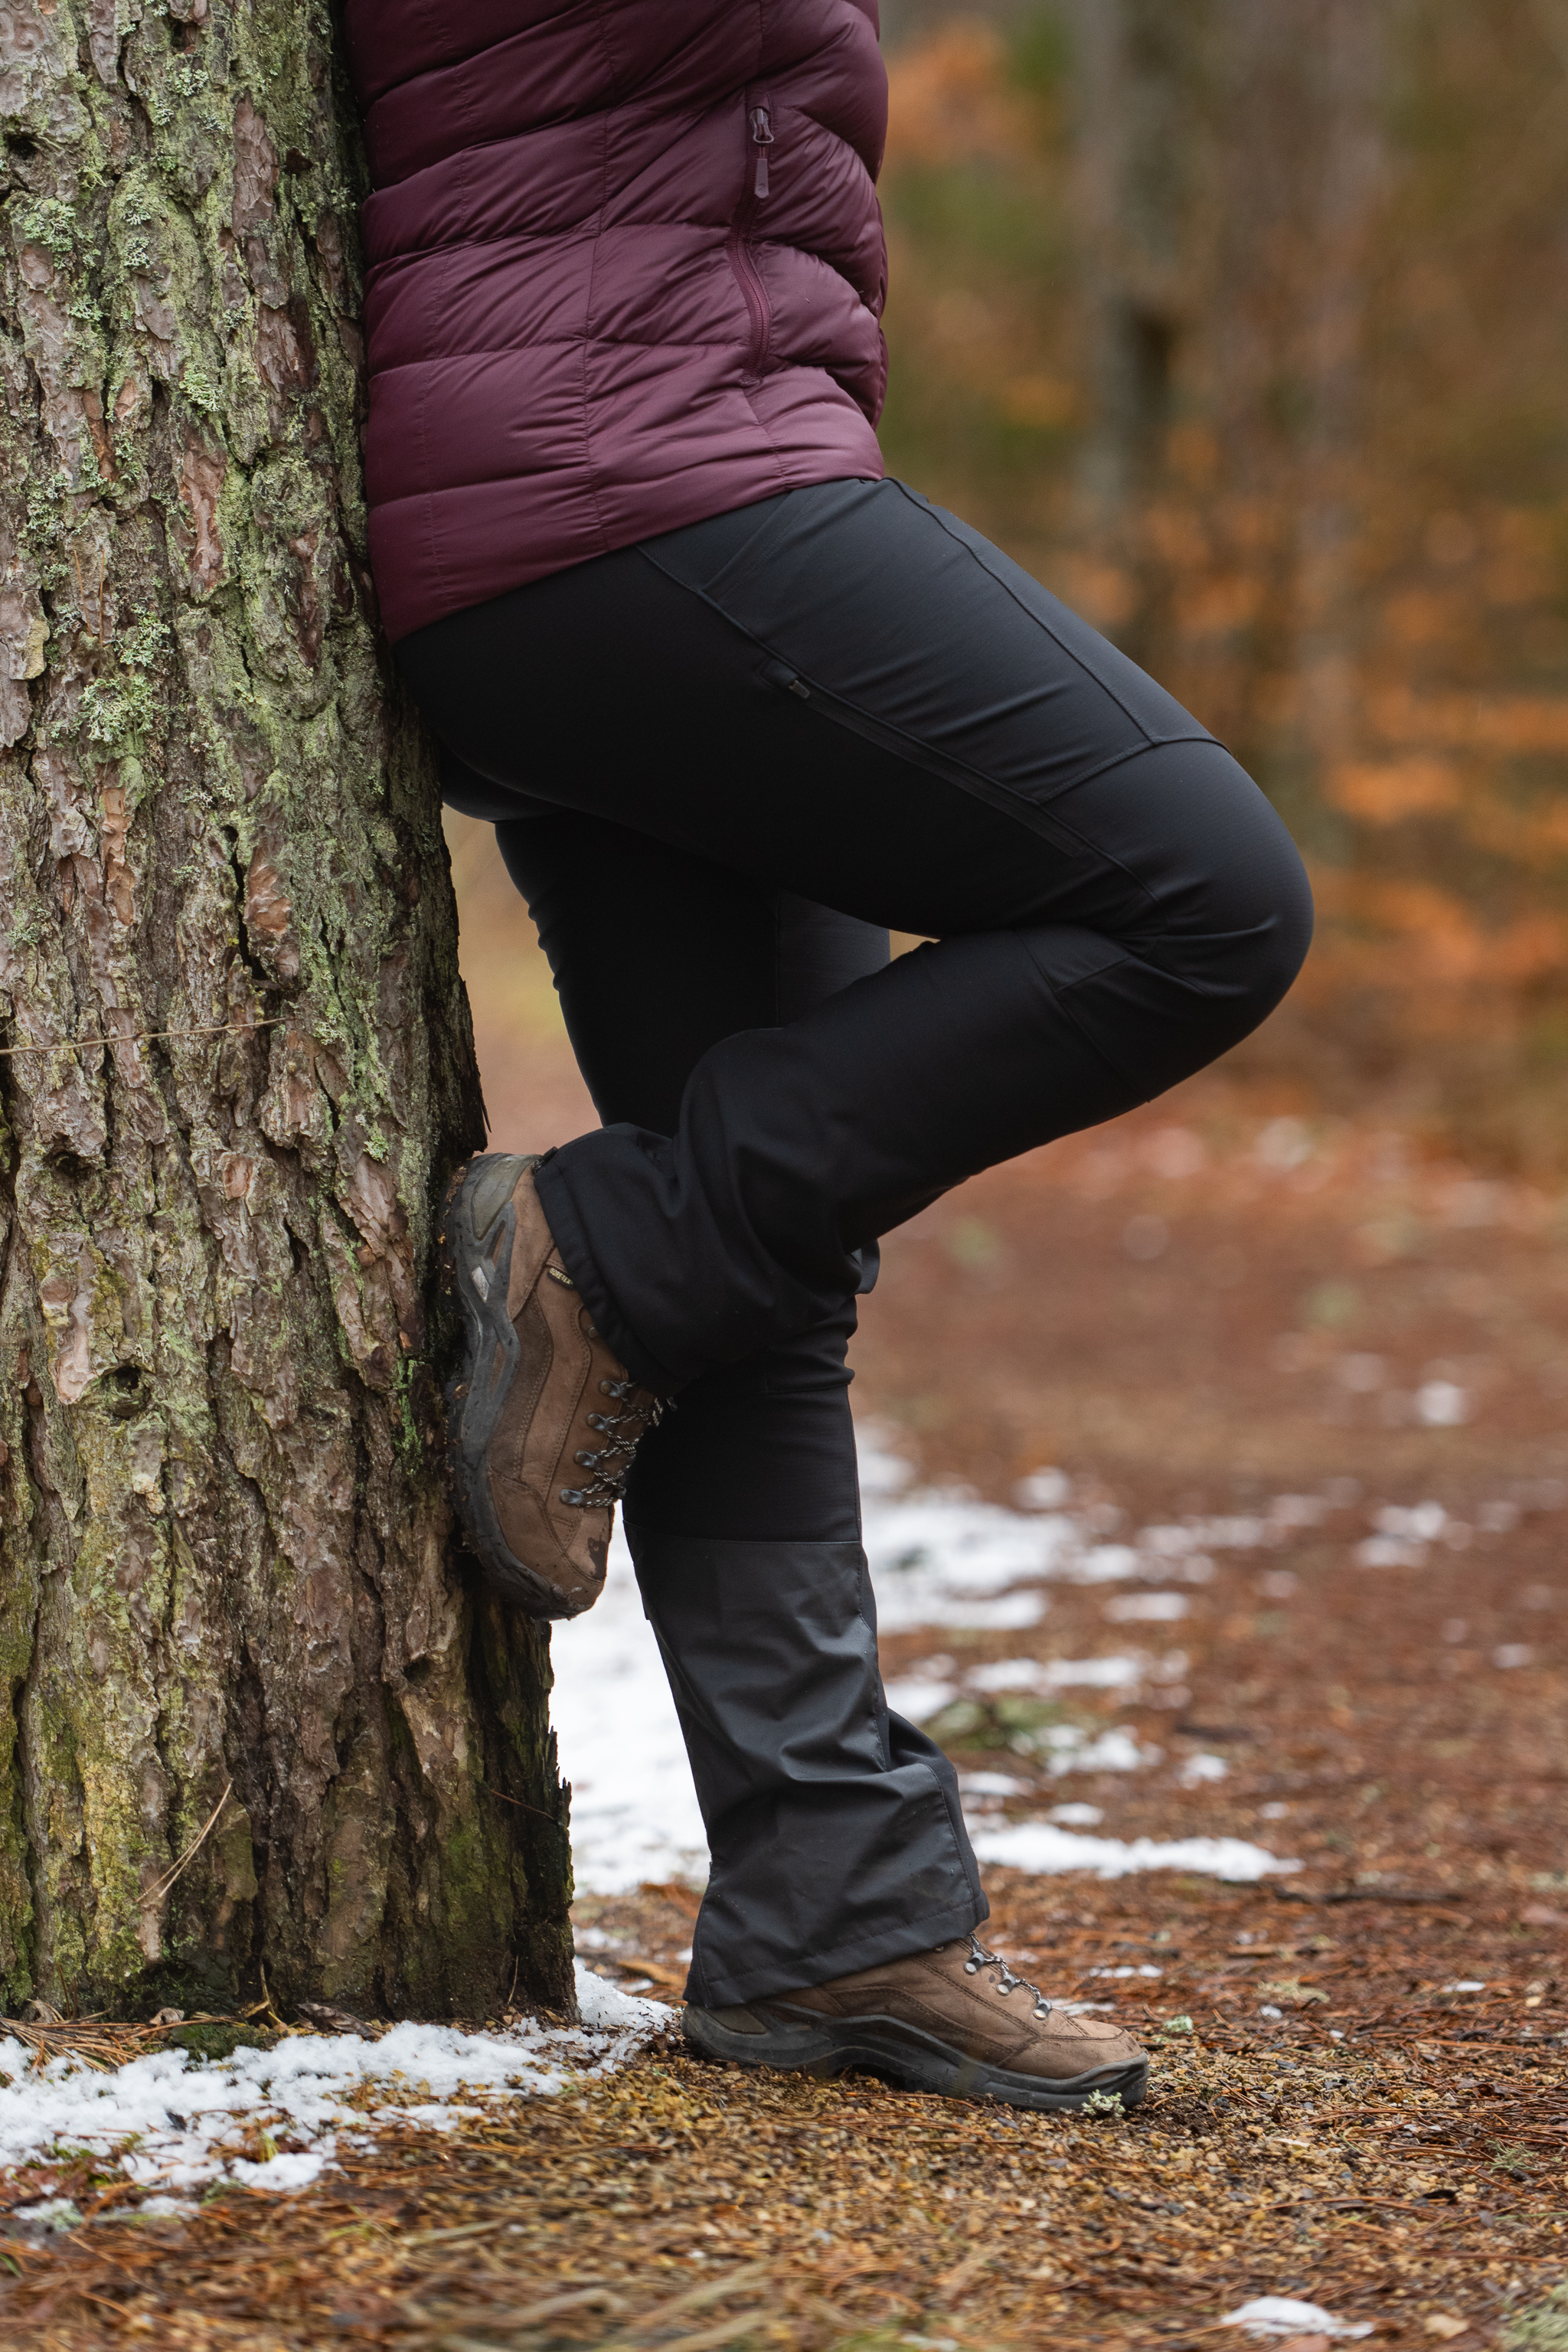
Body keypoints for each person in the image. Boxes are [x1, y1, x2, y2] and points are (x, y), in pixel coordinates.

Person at [344, 3, 1312, 2115]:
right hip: (625, 492)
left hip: (631, 491)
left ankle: (833, 1913)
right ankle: (603, 1244)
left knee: (762, 1230)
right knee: (1208, 895)